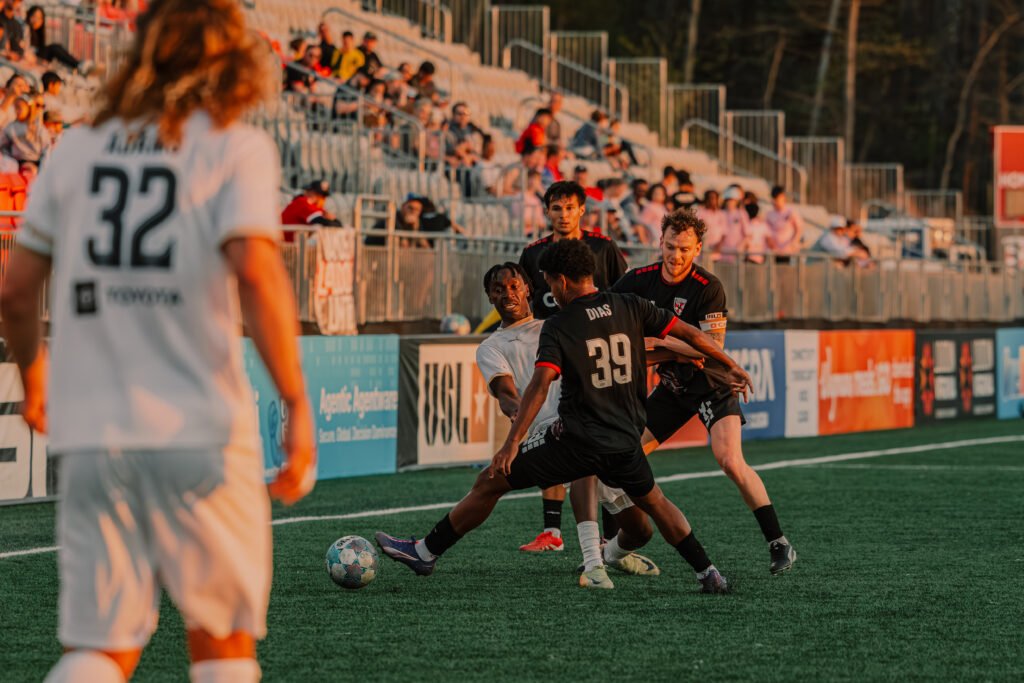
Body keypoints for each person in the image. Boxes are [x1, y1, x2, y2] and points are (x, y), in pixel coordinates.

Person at [0, 2, 317, 682]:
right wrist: (295, 401)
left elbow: (16, 291)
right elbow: (259, 277)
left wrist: (34, 379)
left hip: (97, 434)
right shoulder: (235, 147)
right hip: (201, 427)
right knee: (222, 648)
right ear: (229, 58)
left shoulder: (76, 147)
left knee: (99, 650)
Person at [376, 239, 754, 594]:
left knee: (492, 479)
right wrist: (729, 365)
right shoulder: (630, 305)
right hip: (625, 437)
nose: (549, 292)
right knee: (656, 502)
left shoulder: (559, 325)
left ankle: (425, 553)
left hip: (575, 439)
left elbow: (540, 386)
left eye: (548, 283)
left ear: (559, 279)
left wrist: (511, 444)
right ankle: (708, 573)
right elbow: (691, 334)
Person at [611, 208, 797, 575]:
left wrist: (653, 343)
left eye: (684, 249)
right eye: (669, 246)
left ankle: (779, 543)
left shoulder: (708, 286)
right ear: (658, 242)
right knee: (621, 462)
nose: (675, 256)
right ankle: (616, 548)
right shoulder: (637, 280)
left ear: (697, 249)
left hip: (711, 383)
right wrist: (669, 347)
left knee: (729, 460)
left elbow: (711, 346)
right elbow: (607, 318)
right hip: (673, 386)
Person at [475, 262, 664, 587]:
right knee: (490, 483)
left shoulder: (556, 327)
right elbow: (506, 394)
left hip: (593, 431)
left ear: (529, 289)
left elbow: (624, 352)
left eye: (513, 286)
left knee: (641, 528)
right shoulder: (491, 347)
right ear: (489, 297)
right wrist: (519, 422)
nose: (507, 294)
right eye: (498, 289)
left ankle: (611, 555)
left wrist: (682, 353)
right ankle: (591, 563)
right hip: (562, 437)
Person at [517, 181, 627, 548]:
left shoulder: (602, 248)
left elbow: (623, 298)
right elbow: (526, 306)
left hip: (594, 358)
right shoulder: (533, 255)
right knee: (547, 432)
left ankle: (610, 534)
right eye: (555, 208)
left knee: (597, 445)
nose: (562, 214)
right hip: (550, 358)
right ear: (547, 212)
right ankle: (552, 531)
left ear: (582, 210)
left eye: (569, 207)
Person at [27, 5, 85, 71]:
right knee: (54, 48)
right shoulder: (26, 29)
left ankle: (78, 65)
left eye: (40, 18)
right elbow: (25, 51)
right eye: (34, 16)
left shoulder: (39, 32)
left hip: (38, 56)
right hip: (32, 57)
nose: (36, 20)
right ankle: (78, 65)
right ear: (29, 16)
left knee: (56, 47)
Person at [765, 185, 803, 261]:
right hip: (775, 251)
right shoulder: (769, 214)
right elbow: (767, 232)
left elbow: (799, 229)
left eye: (777, 198)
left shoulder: (791, 212)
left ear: (783, 197)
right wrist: (772, 245)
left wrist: (794, 243)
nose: (776, 201)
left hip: (788, 251)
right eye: (774, 199)